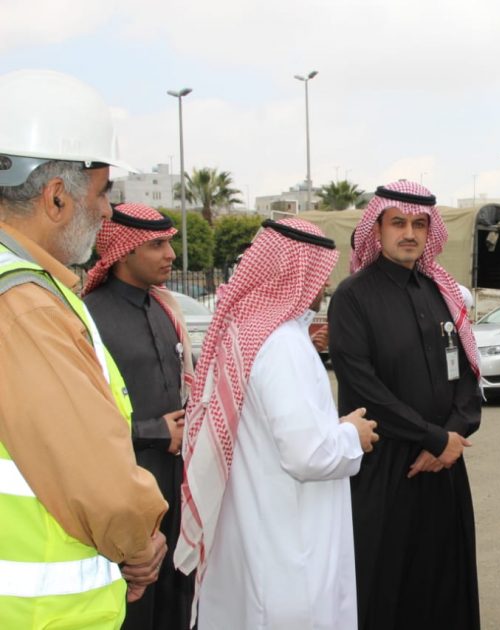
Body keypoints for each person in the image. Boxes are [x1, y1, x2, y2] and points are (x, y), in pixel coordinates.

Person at [0, 69, 168, 628]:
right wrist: (139, 543)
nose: (107, 212)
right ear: (56, 197)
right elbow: (102, 488)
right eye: (102, 193)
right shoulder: (24, 303)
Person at [174, 218, 379, 629]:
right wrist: (350, 435)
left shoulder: (247, 331)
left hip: (254, 536)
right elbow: (308, 456)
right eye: (319, 272)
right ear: (297, 271)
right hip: (288, 551)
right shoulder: (282, 343)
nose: (324, 284)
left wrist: (331, 428)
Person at [328, 180, 482, 630]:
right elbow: (364, 387)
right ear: (377, 229)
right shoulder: (353, 297)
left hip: (444, 466)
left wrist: (454, 434)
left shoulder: (440, 291)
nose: (409, 233)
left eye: (419, 224)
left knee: (444, 584)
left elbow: (468, 372)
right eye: (398, 223)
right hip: (385, 467)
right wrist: (432, 437)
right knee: (385, 586)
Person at [82, 203, 195, 630]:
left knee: (175, 601)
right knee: (133, 609)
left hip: (173, 485)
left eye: (169, 243)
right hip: (121, 487)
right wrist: (153, 432)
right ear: (124, 251)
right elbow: (79, 418)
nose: (170, 255)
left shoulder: (164, 310)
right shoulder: (89, 316)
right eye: (157, 245)